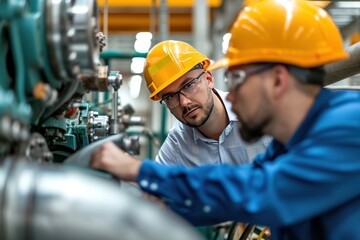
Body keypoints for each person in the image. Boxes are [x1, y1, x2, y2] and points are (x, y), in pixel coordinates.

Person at [90, 0, 360, 239]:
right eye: (170, 97)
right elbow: (241, 182)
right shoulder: (288, 141)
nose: (230, 97)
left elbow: (260, 191)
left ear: (278, 80)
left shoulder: (348, 127)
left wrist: (141, 171)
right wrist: (169, 210)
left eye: (236, 80)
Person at [143, 40, 269, 166]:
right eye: (170, 97)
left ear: (209, 79)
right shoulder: (177, 144)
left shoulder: (259, 116)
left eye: (188, 85)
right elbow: (154, 181)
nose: (184, 102)